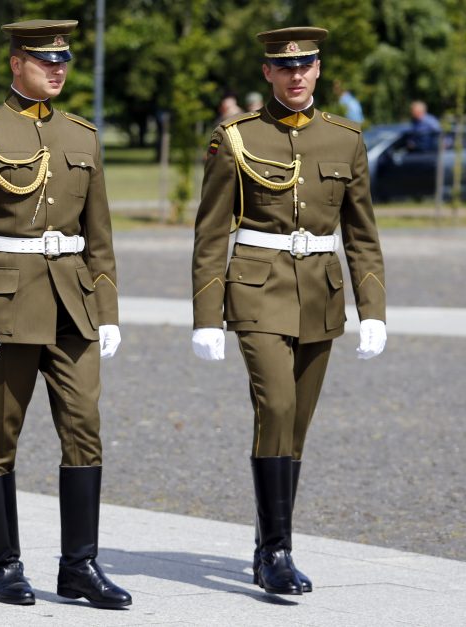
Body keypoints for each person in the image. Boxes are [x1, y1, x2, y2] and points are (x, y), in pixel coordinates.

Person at [0, 19, 130, 609]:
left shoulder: (82, 136)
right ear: (16, 63)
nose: (58, 69)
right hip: (5, 307)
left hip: (73, 306)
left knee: (85, 429)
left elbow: (99, 236)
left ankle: (80, 566)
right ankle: (5, 566)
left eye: (64, 60)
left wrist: (109, 308)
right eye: (45, 60)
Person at [191, 26, 386, 597]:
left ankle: (267, 542)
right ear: (268, 74)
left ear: (319, 71)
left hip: (321, 294)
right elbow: (209, 234)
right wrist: (206, 315)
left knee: (295, 424)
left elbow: (363, 235)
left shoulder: (345, 140)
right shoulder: (235, 138)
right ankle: (278, 552)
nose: (296, 75)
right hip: (256, 288)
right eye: (284, 67)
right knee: (274, 404)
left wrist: (372, 306)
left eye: (306, 66)